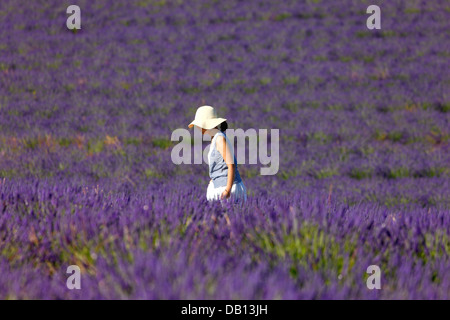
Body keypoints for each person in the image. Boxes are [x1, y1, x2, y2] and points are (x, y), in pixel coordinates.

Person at [188, 106, 247, 203]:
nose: (197, 128)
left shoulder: (219, 139)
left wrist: (228, 190)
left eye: (198, 125)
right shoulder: (214, 138)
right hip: (221, 187)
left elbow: (231, 165)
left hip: (228, 188)